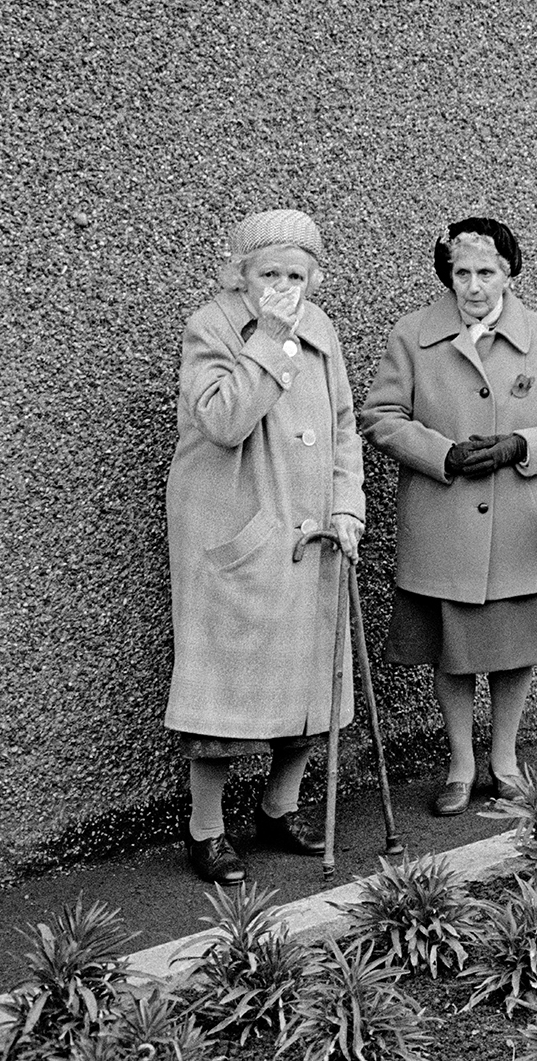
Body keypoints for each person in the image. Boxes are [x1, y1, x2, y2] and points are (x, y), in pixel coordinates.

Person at [360, 218, 537, 817]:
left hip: (518, 526)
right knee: (454, 650)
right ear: (448, 275)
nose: (473, 286)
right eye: (461, 273)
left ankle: (505, 761)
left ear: (508, 273)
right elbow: (379, 416)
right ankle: (461, 766)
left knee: (515, 649)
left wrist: (525, 444)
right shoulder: (412, 336)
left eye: (486, 272)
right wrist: (440, 452)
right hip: (443, 523)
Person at [165, 209, 366, 885]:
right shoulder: (213, 327)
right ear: (240, 274)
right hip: (242, 535)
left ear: (314, 278)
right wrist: (270, 337)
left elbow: (342, 428)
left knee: (310, 685)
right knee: (224, 695)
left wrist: (347, 509)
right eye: (269, 273)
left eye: (296, 275)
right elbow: (222, 420)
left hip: (311, 534)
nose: (283, 286)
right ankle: (206, 830)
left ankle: (279, 809)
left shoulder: (323, 329)